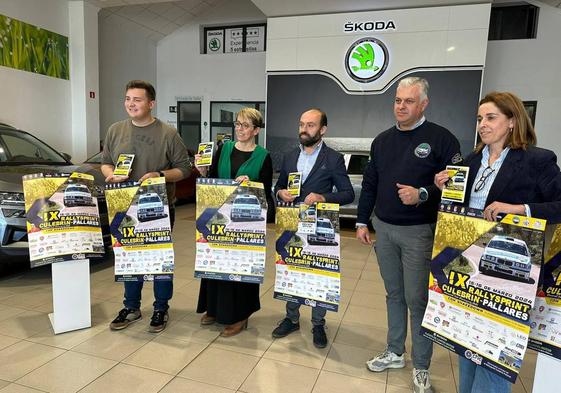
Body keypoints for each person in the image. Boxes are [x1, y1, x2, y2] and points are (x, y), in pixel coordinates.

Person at [434, 91, 561, 393]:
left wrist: (520, 210)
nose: (482, 124)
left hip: (511, 278)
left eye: (491, 118)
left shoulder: (537, 160)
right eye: (480, 118)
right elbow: (459, 211)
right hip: (471, 271)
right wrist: (444, 187)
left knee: (494, 360)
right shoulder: (471, 161)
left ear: (513, 121)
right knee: (467, 347)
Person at [355, 77, 462, 393]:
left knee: (418, 300)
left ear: (424, 104)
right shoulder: (382, 141)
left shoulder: (442, 140)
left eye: (409, 101)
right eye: (398, 100)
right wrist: (362, 221)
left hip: (419, 232)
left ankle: (422, 366)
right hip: (384, 229)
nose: (401, 106)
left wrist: (424, 194)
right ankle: (395, 351)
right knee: (394, 294)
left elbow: (456, 187)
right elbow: (371, 184)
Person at [102, 80, 190, 333]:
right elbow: (106, 162)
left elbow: (184, 169)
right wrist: (112, 174)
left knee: (159, 257)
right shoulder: (115, 130)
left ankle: (161, 307)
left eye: (137, 99)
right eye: (128, 98)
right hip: (125, 206)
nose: (131, 103)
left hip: (158, 207)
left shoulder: (168, 133)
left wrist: (159, 175)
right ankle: (131, 307)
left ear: (151, 103)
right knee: (130, 257)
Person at [271, 108, 354, 348]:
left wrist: (322, 197)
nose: (304, 129)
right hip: (292, 224)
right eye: (301, 124)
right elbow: (278, 185)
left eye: (310, 125)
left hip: (320, 227)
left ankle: (318, 324)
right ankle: (292, 318)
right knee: (292, 269)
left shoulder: (333, 159)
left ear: (322, 129)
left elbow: (348, 194)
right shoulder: (288, 157)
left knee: (318, 273)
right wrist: (280, 192)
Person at [195, 107, 274, 337]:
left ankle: (240, 316)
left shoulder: (263, 156)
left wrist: (251, 185)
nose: (240, 129)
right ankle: (213, 308)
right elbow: (212, 183)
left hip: (244, 224)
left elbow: (267, 197)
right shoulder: (224, 148)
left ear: (256, 130)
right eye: (238, 124)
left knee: (239, 269)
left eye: (245, 125)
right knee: (215, 264)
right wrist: (202, 172)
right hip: (218, 220)